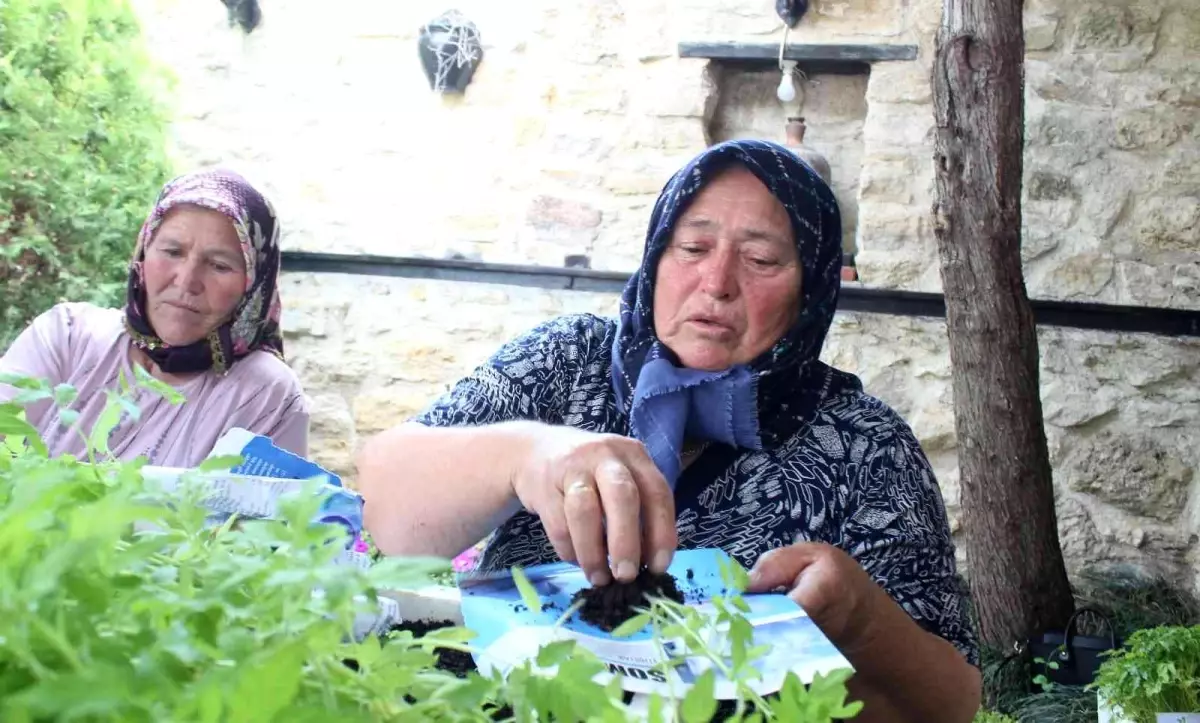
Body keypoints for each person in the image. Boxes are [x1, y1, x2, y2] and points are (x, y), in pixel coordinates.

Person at [358, 140, 981, 721]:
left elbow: (954, 704)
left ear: (810, 290)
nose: (717, 283)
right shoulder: (568, 362)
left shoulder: (865, 447)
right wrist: (528, 454)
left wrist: (861, 620)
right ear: (657, 256)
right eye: (692, 247)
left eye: (761, 259)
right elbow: (388, 507)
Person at [0, 168, 309, 466]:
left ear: (253, 285)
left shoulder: (265, 392)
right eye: (173, 252)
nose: (187, 281)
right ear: (143, 253)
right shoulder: (67, 336)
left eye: (219, 265)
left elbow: (259, 515)